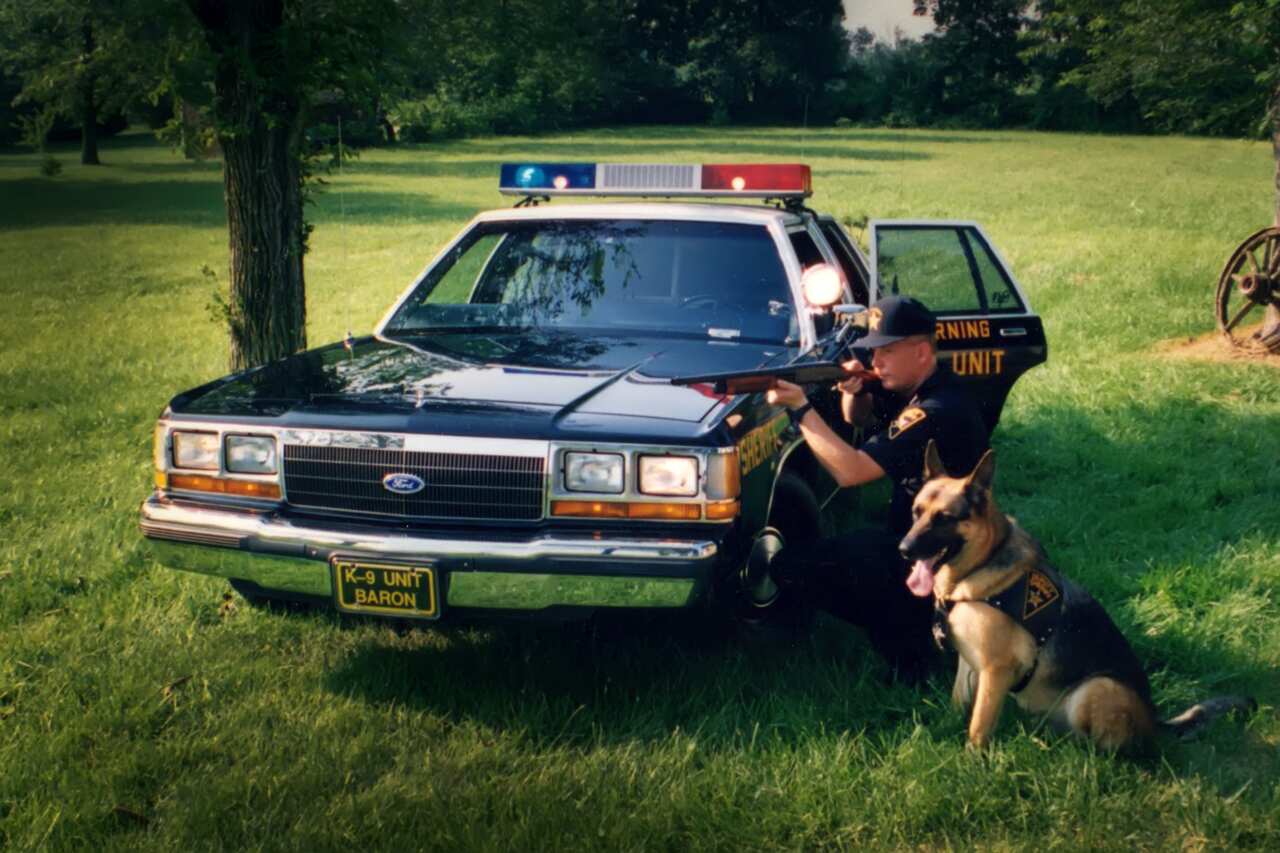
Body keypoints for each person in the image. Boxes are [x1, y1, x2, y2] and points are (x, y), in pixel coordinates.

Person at [759, 295, 989, 681]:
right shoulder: (929, 388)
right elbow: (860, 419)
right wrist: (856, 390)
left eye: (885, 351)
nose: (875, 361)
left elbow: (851, 472)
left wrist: (800, 408)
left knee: (794, 566)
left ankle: (911, 648)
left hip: (937, 555)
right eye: (872, 352)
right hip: (932, 545)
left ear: (919, 351)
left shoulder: (931, 409)